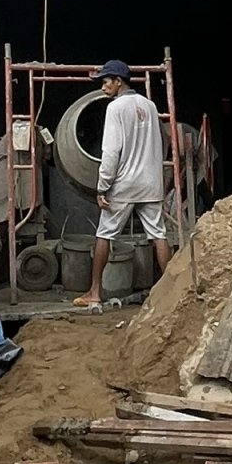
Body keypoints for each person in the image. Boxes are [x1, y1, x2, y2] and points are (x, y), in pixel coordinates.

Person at [73, 58, 171, 308]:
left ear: (119, 82)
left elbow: (110, 152)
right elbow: (162, 140)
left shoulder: (115, 108)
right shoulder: (150, 106)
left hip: (124, 184)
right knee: (158, 235)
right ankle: (172, 292)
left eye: (106, 82)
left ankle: (95, 292)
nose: (103, 87)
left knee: (104, 234)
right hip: (151, 182)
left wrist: (102, 186)